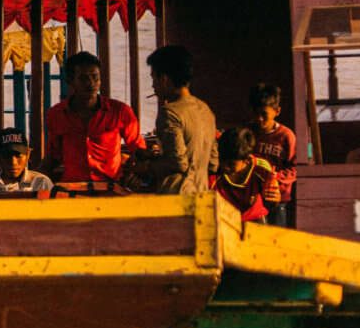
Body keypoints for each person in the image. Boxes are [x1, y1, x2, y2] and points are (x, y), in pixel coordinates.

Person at [42, 51, 142, 190]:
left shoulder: (120, 111)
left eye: (95, 77)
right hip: (72, 190)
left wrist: (133, 174)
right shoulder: (56, 114)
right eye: (83, 78)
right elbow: (54, 155)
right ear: (70, 81)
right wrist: (31, 179)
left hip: (112, 189)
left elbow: (138, 149)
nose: (90, 83)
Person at [138, 45, 215, 195]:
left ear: (164, 79)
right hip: (201, 193)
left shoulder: (170, 112)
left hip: (177, 196)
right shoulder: (205, 110)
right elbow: (213, 163)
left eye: (154, 78)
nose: (153, 85)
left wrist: (146, 167)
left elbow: (178, 162)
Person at [247, 82, 297, 227]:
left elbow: (295, 168)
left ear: (277, 111)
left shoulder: (286, 136)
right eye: (256, 114)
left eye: (264, 114)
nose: (259, 119)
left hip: (277, 199)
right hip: (253, 198)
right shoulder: (247, 132)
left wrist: (275, 178)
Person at [213, 127, 275, 222]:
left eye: (231, 164)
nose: (225, 166)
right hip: (224, 221)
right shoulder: (213, 173)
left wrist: (274, 198)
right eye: (222, 160)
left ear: (247, 160)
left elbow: (272, 202)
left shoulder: (262, 169)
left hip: (255, 221)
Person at [0, 131, 52, 197]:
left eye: (18, 156)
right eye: (6, 156)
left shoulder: (42, 183)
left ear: (28, 155)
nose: (13, 162)